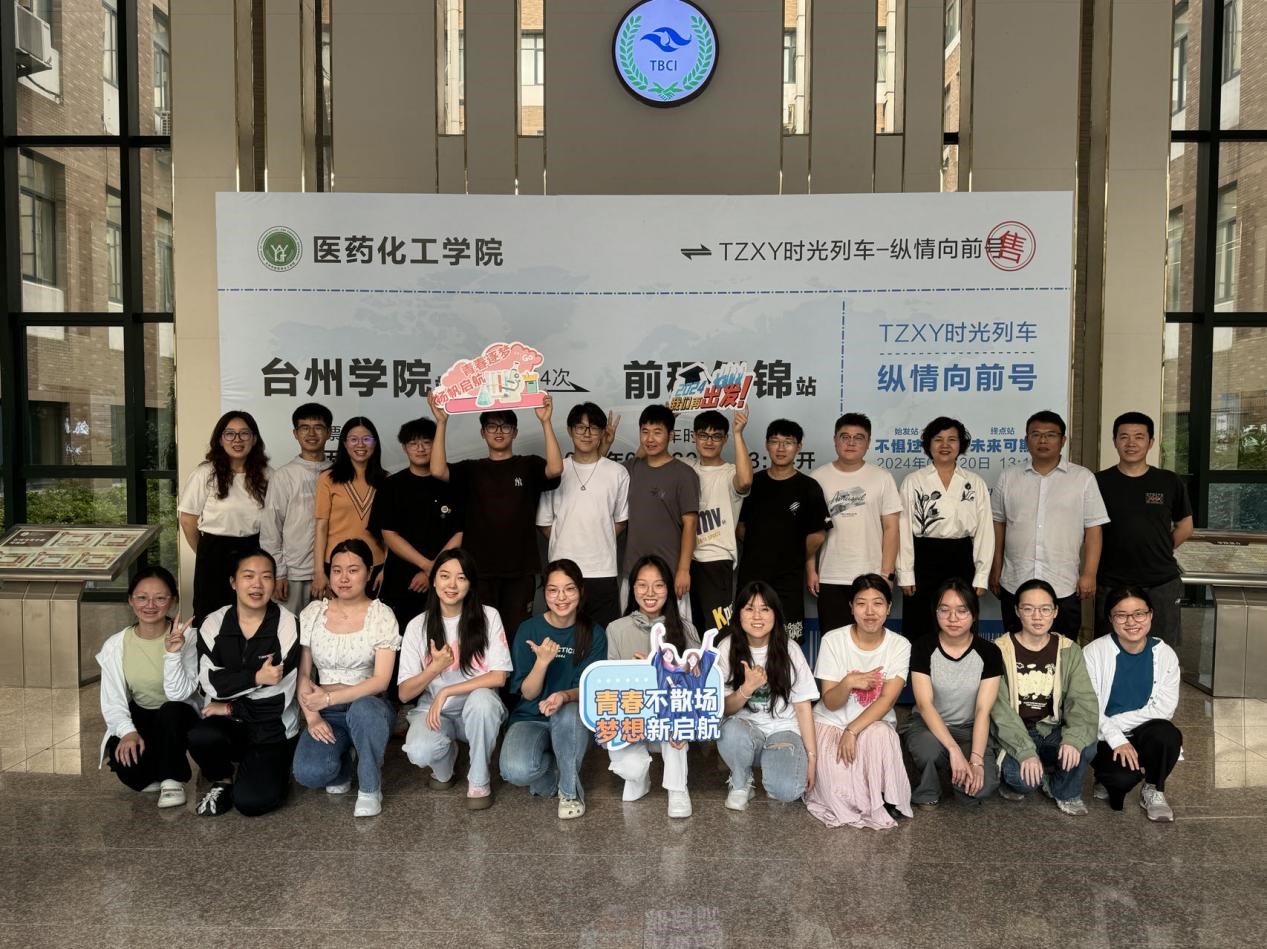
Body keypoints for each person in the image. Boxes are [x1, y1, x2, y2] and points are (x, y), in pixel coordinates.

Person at [428, 392, 563, 636]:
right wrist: (441, 422)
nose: (499, 431)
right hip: (479, 569)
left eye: (506, 426)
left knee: (517, 632)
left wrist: (545, 421)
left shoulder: (528, 465)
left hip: (520, 569)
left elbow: (554, 469)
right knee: (480, 633)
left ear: (515, 432)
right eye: (492, 426)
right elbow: (437, 471)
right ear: (483, 432)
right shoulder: (471, 469)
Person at [182, 550, 301, 817]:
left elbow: (278, 698)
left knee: (251, 802)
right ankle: (222, 778)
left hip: (272, 729)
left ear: (274, 583)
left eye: (266, 577)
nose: (257, 584)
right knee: (200, 735)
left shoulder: (288, 625)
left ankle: (270, 769)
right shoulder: (213, 623)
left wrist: (229, 706)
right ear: (233, 582)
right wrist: (257, 678)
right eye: (248, 576)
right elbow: (211, 684)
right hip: (229, 726)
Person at [291, 540, 401, 818]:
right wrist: (312, 717)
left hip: (370, 707)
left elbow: (381, 681)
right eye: (337, 570)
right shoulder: (313, 613)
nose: (343, 578)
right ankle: (343, 763)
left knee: (364, 710)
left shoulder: (381, 615)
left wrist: (330, 696)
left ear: (369, 572)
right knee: (308, 773)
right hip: (327, 711)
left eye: (353, 570)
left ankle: (370, 787)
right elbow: (304, 674)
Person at [398, 549, 512, 810]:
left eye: (461, 578)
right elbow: (404, 693)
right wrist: (434, 668)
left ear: (470, 584)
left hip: (477, 710)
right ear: (433, 581)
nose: (452, 584)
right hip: (436, 713)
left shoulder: (488, 616)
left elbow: (499, 676)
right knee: (419, 751)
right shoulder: (417, 626)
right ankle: (445, 764)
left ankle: (479, 779)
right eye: (444, 576)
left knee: (483, 701)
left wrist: (446, 691)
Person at [499, 559, 607, 819]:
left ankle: (570, 792)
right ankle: (560, 769)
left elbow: (590, 688)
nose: (561, 597)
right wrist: (542, 662)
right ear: (544, 593)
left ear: (580, 591)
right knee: (515, 771)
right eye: (553, 590)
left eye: (569, 589)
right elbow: (528, 694)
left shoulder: (594, 633)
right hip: (530, 717)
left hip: (571, 718)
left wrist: (563, 696)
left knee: (568, 713)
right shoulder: (529, 629)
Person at [990, 410, 1110, 638]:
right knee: (1015, 648)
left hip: (1063, 584)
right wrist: (995, 569)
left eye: (1050, 435)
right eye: (1036, 434)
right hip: (1015, 581)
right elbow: (999, 525)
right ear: (1026, 440)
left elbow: (1094, 529)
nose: (1043, 440)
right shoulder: (1009, 477)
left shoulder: (1082, 478)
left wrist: (1089, 574)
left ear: (1063, 440)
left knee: (1063, 649)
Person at [806, 574, 913, 829]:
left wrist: (852, 730)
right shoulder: (833, 640)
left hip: (872, 725)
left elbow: (887, 700)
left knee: (879, 733)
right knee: (840, 796)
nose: (870, 612)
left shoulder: (899, 645)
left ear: (888, 607)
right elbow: (830, 703)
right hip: (830, 724)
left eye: (877, 603)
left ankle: (885, 796)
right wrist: (847, 683)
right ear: (851, 607)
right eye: (861, 603)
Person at [991, 578, 1099, 816]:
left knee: (1086, 744)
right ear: (1017, 611)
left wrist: (1073, 739)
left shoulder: (1069, 650)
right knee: (1022, 783)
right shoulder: (998, 650)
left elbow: (1082, 700)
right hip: (1016, 731)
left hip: (1051, 730)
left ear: (1055, 611)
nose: (1037, 617)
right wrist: (1025, 752)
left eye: (1045, 609)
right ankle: (1027, 770)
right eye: (1028, 609)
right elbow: (999, 710)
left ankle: (1065, 791)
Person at [95, 566, 200, 809]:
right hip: (143, 712)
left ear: (173, 600)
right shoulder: (116, 644)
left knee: (171, 711)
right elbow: (113, 700)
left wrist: (173, 654)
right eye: (142, 597)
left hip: (179, 714)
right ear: (130, 600)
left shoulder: (190, 638)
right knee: (128, 766)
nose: (150, 605)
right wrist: (127, 732)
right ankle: (158, 768)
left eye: (160, 598)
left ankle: (172, 779)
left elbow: (179, 694)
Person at [605, 555, 701, 818]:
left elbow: (698, 683)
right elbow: (610, 684)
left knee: (677, 718)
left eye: (658, 585)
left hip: (668, 719)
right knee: (631, 768)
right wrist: (636, 673)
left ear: (668, 589)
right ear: (633, 588)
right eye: (642, 585)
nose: (650, 593)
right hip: (632, 716)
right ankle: (639, 778)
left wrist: (661, 668)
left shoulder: (685, 629)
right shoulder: (616, 629)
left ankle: (677, 788)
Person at [715, 582, 819, 810]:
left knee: (787, 791)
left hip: (783, 731)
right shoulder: (726, 647)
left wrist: (812, 758)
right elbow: (722, 709)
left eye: (765, 609)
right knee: (728, 730)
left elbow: (803, 707)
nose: (757, 616)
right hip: (745, 731)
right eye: (749, 609)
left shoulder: (790, 649)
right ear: (738, 614)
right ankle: (741, 782)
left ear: (775, 614)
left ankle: (774, 767)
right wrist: (747, 688)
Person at [1084, 587, 1183, 822]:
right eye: (1121, 615)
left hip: (1141, 731)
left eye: (1139, 614)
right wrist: (1116, 738)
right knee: (1120, 780)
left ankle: (1153, 788)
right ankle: (1104, 777)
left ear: (1150, 615)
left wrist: (1116, 724)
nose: (1131, 622)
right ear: (1110, 618)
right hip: (1101, 734)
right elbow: (1089, 708)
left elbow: (1164, 709)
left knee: (1167, 735)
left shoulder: (1165, 654)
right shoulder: (1093, 652)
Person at [1094, 412, 1194, 645]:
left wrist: (1160, 548)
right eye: (1124, 437)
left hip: (1161, 582)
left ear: (1150, 442)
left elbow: (1185, 526)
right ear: (1114, 441)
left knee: (1162, 648)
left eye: (1139, 437)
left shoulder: (1169, 481)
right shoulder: (1098, 482)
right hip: (1112, 581)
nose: (1131, 443)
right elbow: (1090, 531)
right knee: (1110, 649)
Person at [903, 580, 1002, 806]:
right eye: (944, 610)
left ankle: (954, 770)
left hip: (969, 728)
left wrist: (976, 760)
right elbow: (925, 704)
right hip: (928, 724)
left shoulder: (989, 652)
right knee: (927, 750)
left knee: (979, 788)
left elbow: (983, 710)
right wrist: (954, 750)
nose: (953, 618)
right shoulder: (923, 647)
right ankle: (928, 787)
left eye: (962, 610)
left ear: (974, 614)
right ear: (935, 613)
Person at [896, 417, 994, 641]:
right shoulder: (914, 481)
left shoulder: (974, 482)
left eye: (952, 439)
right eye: (938, 439)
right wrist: (905, 573)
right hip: (923, 559)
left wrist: (981, 576)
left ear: (961, 444)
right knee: (921, 626)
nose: (945, 445)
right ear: (928, 444)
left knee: (959, 623)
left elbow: (985, 532)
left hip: (962, 559)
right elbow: (903, 530)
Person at [537, 402, 628, 627]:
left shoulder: (618, 473)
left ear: (602, 433)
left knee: (602, 636)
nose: (587, 434)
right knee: (562, 637)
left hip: (602, 571)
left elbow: (620, 521)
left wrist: (597, 537)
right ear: (570, 430)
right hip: (562, 572)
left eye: (593, 428)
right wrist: (567, 539)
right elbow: (545, 524)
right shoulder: (556, 471)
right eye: (580, 427)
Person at [809, 413, 902, 636]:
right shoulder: (817, 478)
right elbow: (809, 530)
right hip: (830, 575)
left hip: (872, 576)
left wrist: (887, 574)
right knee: (833, 640)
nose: (851, 443)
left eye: (859, 438)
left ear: (868, 443)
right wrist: (811, 570)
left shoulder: (882, 478)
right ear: (835, 440)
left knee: (870, 640)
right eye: (845, 437)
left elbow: (891, 528)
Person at [736, 420, 829, 640]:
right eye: (775, 441)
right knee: (747, 639)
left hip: (789, 580)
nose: (781, 448)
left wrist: (793, 554)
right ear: (766, 445)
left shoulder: (809, 487)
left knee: (788, 642)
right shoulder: (753, 484)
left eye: (788, 442)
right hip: (752, 577)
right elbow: (740, 528)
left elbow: (818, 534)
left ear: (799, 447)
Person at [369, 416, 463, 634]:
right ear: (404, 448)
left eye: (427, 442)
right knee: (398, 639)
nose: (420, 448)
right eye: (413, 443)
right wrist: (426, 566)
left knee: (445, 638)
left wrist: (435, 569)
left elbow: (460, 532)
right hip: (401, 579)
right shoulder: (391, 486)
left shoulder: (453, 482)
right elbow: (388, 533)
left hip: (446, 579)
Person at [178, 410, 271, 625]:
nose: (237, 440)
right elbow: (187, 519)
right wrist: (204, 552)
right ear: (220, 439)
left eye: (244, 434)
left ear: (254, 439)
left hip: (254, 551)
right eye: (230, 434)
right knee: (211, 618)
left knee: (251, 616)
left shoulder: (268, 475)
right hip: (214, 554)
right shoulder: (205, 473)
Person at [622, 404, 699, 619]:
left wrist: (683, 570)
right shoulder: (630, 469)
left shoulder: (684, 474)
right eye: (645, 432)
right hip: (633, 572)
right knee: (631, 631)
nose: (650, 439)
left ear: (671, 435)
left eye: (657, 432)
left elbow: (690, 524)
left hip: (670, 573)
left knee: (674, 633)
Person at [260, 403, 332, 616]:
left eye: (318, 427)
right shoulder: (283, 476)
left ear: (329, 432)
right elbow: (271, 528)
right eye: (304, 428)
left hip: (332, 571)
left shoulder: (338, 473)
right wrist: (278, 572)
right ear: (295, 433)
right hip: (293, 574)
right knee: (290, 630)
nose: (311, 433)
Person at [688, 409, 752, 633]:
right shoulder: (685, 468)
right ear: (694, 437)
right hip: (685, 560)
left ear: (724, 439)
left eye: (716, 436)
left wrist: (738, 433)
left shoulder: (730, 472)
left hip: (717, 559)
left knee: (718, 629)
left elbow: (745, 482)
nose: (709, 441)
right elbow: (648, 460)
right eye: (703, 435)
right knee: (690, 628)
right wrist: (667, 421)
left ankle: (721, 660)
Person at [313, 417, 387, 600]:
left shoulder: (386, 480)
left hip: (374, 566)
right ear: (344, 444)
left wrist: (386, 568)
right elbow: (321, 527)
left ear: (375, 443)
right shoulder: (328, 478)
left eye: (367, 439)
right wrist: (319, 571)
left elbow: (391, 532)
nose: (360, 444)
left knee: (372, 616)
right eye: (353, 439)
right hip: (336, 565)